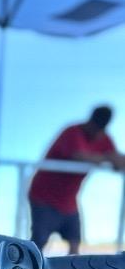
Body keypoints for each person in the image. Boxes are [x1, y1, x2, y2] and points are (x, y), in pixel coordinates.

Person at [29, 105, 125, 256]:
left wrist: (112, 159)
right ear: (90, 121)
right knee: (38, 244)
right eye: (96, 126)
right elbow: (79, 156)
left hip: (69, 203)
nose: (97, 132)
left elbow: (119, 160)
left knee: (75, 246)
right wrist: (107, 157)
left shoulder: (104, 138)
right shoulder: (72, 132)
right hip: (44, 197)